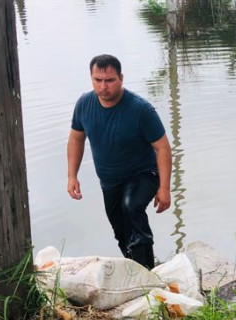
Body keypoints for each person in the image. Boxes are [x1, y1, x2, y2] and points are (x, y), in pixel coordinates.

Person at [66, 54, 171, 269]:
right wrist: (72, 176)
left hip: (143, 174)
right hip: (110, 182)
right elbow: (76, 138)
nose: (104, 86)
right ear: (91, 79)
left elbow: (163, 148)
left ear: (121, 78)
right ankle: (135, 268)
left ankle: (147, 277)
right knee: (121, 230)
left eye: (110, 80)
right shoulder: (84, 104)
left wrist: (165, 188)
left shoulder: (140, 109)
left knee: (131, 207)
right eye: (98, 80)